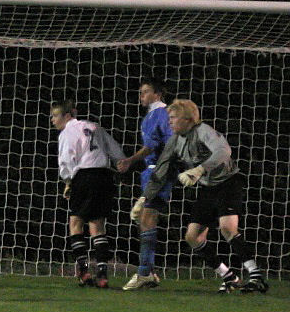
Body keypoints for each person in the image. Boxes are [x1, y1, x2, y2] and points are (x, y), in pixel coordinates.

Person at [135, 99, 269, 293]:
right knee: (192, 237)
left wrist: (199, 169)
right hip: (208, 188)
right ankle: (229, 277)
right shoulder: (174, 141)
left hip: (228, 183)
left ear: (188, 119)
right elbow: (160, 171)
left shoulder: (203, 131)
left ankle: (256, 276)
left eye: (173, 118)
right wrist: (143, 199)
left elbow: (224, 151)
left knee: (227, 228)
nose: (169, 122)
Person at [51, 100, 125, 288]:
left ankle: (84, 271)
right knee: (97, 225)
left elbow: (67, 158)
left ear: (67, 116)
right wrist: (122, 164)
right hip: (104, 176)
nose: (52, 120)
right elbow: (116, 150)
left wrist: (68, 180)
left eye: (55, 116)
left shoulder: (67, 131)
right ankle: (102, 274)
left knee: (76, 223)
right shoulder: (94, 127)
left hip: (84, 176)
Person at [116, 78, 172, 290]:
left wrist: (130, 160)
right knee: (143, 219)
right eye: (141, 92)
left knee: (146, 218)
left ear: (157, 94)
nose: (141, 96)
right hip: (151, 173)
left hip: (159, 172)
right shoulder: (152, 116)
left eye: (145, 92)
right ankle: (148, 271)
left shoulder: (163, 114)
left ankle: (143, 273)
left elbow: (158, 145)